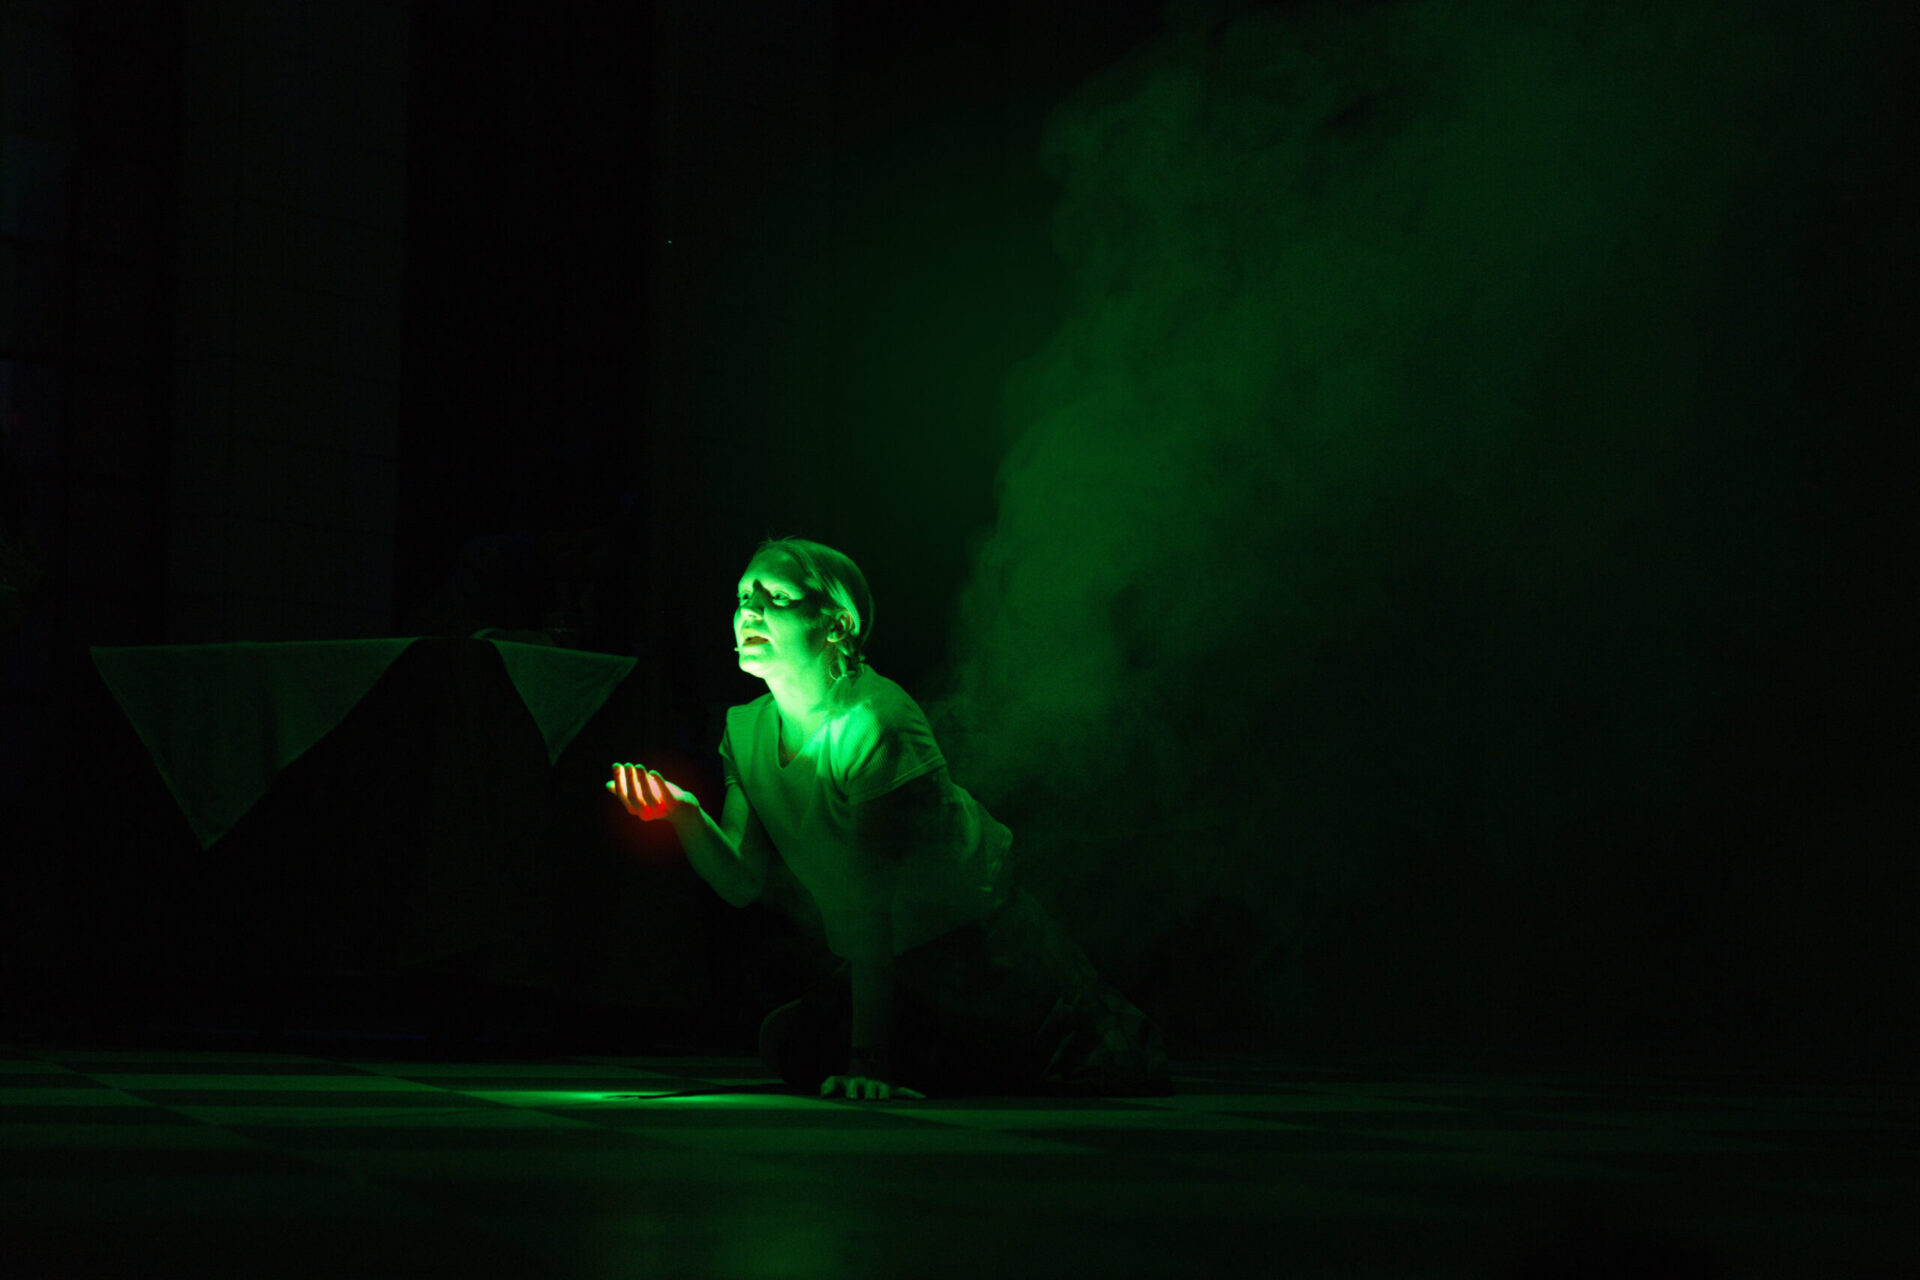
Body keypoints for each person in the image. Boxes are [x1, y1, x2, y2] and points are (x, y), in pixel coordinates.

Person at [608, 536, 1171, 1101]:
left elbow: (872, 903)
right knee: (789, 1043)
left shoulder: (876, 722)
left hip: (980, 943)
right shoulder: (746, 728)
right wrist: (683, 814)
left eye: (776, 597)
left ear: (838, 625)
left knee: (1096, 1062)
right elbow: (740, 881)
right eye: (742, 596)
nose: (749, 610)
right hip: (892, 956)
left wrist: (869, 1064)